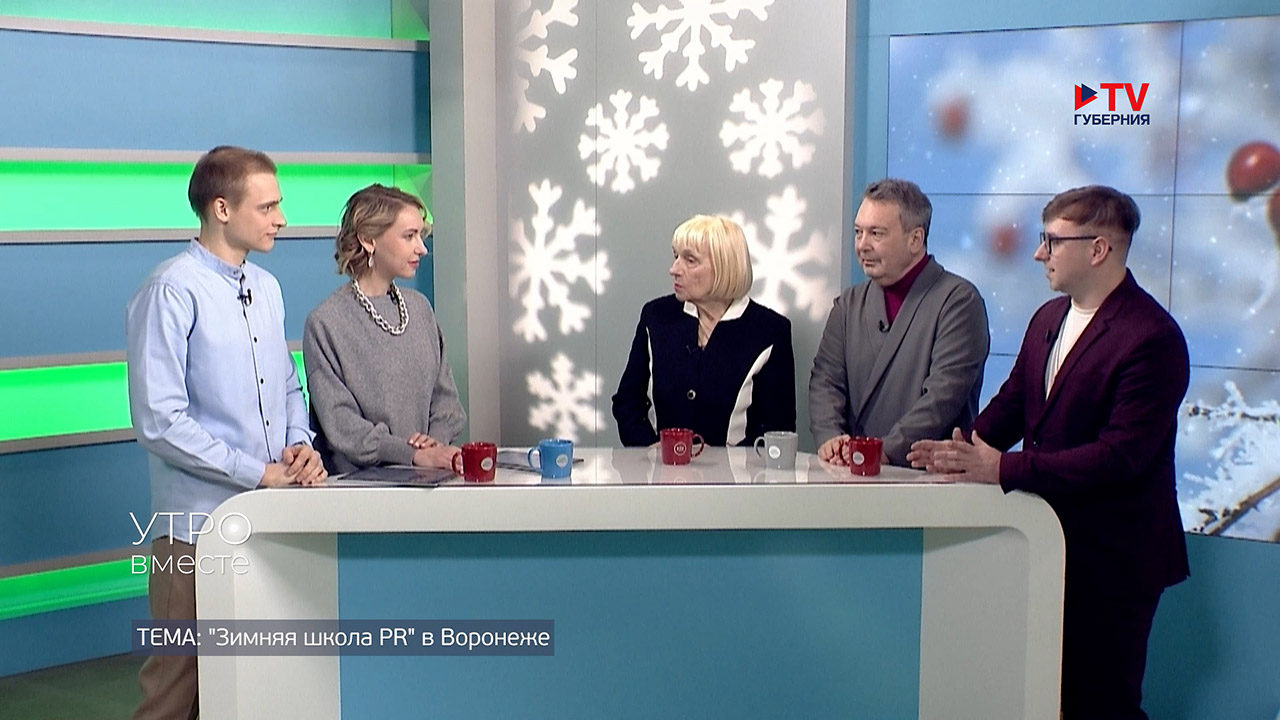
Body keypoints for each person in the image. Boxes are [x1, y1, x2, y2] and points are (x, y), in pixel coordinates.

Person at [907, 185, 1190, 719]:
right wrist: (963, 450)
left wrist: (1002, 468)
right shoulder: (1047, 318)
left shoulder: (1152, 337)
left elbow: (1120, 457)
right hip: (1044, 542)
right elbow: (1015, 402)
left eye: (1053, 241)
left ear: (1099, 249)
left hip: (1113, 560)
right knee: (1041, 696)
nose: (1039, 253)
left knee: (1100, 704)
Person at [126, 146, 326, 720]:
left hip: (269, 520)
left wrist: (299, 444)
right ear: (221, 208)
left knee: (253, 684)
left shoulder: (266, 286)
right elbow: (159, 421)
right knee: (176, 690)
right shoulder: (171, 289)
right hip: (194, 530)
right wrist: (257, 472)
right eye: (267, 207)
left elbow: (286, 383)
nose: (281, 218)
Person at [809, 178, 989, 466]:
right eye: (858, 232)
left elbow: (943, 397)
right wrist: (831, 438)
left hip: (924, 476)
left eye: (876, 233)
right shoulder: (848, 305)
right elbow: (825, 382)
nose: (862, 245)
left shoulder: (958, 302)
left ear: (915, 239)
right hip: (849, 474)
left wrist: (883, 451)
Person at [303, 184, 466, 473]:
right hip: (362, 489)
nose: (422, 248)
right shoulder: (326, 322)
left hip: (431, 479)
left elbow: (447, 402)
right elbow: (341, 424)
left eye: (421, 235)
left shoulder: (420, 309)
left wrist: (434, 444)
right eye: (409, 236)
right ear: (368, 239)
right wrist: (410, 454)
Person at [612, 214, 795, 447]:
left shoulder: (770, 331)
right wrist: (650, 449)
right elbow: (627, 403)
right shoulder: (656, 317)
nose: (674, 269)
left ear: (724, 267)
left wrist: (723, 461)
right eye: (676, 256)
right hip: (660, 467)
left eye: (690, 260)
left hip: (737, 470)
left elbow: (777, 428)